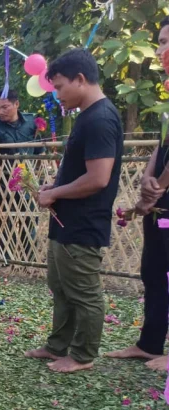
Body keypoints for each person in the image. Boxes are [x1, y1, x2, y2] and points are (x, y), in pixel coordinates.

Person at [25, 48, 124, 373]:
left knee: (84, 292)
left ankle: (83, 355)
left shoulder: (100, 119)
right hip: (66, 221)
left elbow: (98, 178)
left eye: (60, 87)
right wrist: (54, 187)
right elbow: (80, 170)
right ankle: (57, 345)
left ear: (80, 79)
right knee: (61, 287)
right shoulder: (87, 116)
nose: (57, 95)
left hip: (83, 223)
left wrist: (56, 193)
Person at [105, 17, 169, 372]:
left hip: (164, 197)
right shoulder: (167, 93)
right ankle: (149, 344)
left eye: (166, 42)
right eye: (159, 42)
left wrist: (159, 186)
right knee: (154, 270)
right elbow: (163, 145)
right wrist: (147, 178)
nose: (159, 50)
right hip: (161, 203)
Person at [0, 89, 43, 263]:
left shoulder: (32, 123)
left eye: (5, 107)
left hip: (28, 177)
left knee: (30, 216)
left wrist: (40, 176)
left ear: (16, 104)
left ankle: (28, 258)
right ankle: (7, 259)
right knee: (6, 218)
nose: (0, 112)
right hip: (3, 179)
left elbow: (40, 152)